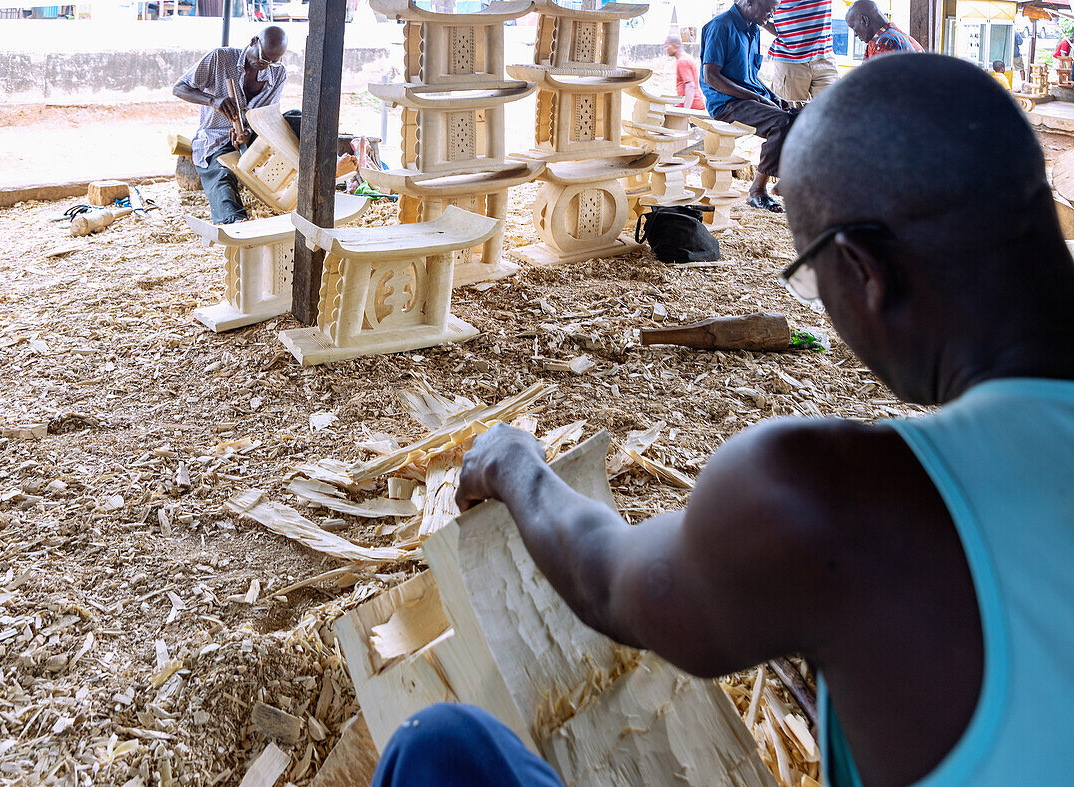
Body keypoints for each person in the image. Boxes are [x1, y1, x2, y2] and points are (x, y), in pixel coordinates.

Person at [373, 54, 1074, 787]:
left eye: (814, 280)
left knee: (440, 749)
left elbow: (611, 581)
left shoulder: (837, 499)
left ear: (865, 270)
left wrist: (514, 463)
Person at [173, 27, 289, 224]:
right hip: (216, 139)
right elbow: (179, 88)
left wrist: (249, 132)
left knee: (296, 118)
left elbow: (268, 116)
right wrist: (213, 101)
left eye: (272, 61)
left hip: (255, 136)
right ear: (254, 41)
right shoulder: (221, 58)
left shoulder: (278, 74)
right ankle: (234, 223)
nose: (265, 65)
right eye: (262, 58)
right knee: (221, 175)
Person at [699, 0, 795, 213]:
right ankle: (757, 191)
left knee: (798, 117)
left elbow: (751, 77)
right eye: (768, 9)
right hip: (725, 103)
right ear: (749, 2)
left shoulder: (753, 28)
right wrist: (759, 99)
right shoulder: (720, 26)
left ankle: (785, 183)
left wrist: (773, 96)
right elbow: (711, 77)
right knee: (782, 122)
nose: (771, 15)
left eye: (774, 10)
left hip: (746, 99)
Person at [762, 0, 837, 103]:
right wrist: (785, 34)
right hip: (789, 60)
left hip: (824, 57)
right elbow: (754, 8)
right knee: (790, 115)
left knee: (832, 112)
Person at [846, 0, 923, 59]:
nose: (855, 34)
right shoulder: (903, 37)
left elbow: (875, 79)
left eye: (853, 27)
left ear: (865, 20)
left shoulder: (884, 43)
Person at [665, 34, 706, 110]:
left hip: (692, 106)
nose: (666, 49)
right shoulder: (687, 57)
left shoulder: (682, 61)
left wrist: (686, 111)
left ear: (676, 45)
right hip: (691, 104)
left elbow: (690, 86)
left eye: (667, 46)